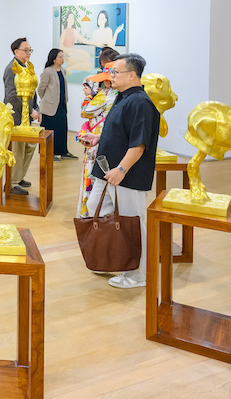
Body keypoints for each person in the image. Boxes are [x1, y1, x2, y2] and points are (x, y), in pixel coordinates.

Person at [80, 53, 161, 289]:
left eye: (115, 72)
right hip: (108, 172)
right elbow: (120, 131)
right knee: (98, 209)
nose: (111, 76)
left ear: (132, 75)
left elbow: (139, 144)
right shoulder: (122, 98)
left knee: (131, 222)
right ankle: (114, 259)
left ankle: (139, 275)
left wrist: (122, 169)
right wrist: (97, 138)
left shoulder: (140, 103)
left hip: (126, 175)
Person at [76, 47, 120, 217]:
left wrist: (88, 95)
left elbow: (84, 110)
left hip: (96, 142)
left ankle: (89, 215)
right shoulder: (118, 95)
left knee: (92, 178)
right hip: (106, 139)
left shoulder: (106, 95)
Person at [3, 38, 40, 194]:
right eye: (26, 50)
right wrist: (29, 110)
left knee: (29, 147)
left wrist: (36, 108)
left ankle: (19, 177)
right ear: (16, 51)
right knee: (17, 149)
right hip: (16, 116)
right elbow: (11, 96)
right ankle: (11, 183)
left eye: (30, 50)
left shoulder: (27, 66)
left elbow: (33, 90)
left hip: (27, 116)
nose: (29, 53)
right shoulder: (12, 69)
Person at [37, 48, 76, 160]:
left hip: (61, 106)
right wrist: (46, 100)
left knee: (62, 129)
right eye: (60, 57)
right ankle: (49, 152)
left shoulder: (62, 71)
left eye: (63, 57)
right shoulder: (48, 71)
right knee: (49, 130)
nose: (63, 59)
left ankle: (63, 151)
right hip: (50, 107)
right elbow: (40, 89)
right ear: (54, 59)